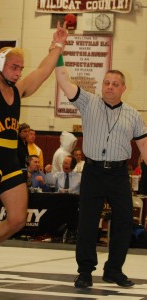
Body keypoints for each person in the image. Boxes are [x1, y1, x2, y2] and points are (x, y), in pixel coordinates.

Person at [0, 0, 68, 289]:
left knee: (19, 219)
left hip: (11, 156)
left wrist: (57, 47)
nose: (19, 71)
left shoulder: (18, 90)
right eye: (14, 66)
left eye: (20, 67)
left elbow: (42, 72)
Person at [56, 57, 147, 288]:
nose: (110, 87)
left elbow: (144, 147)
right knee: (87, 222)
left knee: (124, 221)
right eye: (106, 82)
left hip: (118, 174)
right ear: (101, 85)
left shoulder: (134, 115)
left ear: (123, 88)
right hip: (93, 171)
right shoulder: (88, 102)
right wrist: (57, 52)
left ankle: (113, 270)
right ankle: (85, 272)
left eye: (115, 84)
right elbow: (64, 82)